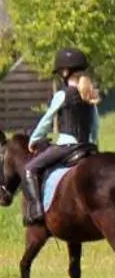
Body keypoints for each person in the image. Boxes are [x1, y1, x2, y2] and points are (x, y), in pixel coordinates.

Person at [22, 48, 101, 225]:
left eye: (60, 73)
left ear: (65, 72)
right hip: (87, 147)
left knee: (29, 169)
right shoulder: (89, 95)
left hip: (67, 147)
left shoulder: (62, 95)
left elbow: (47, 120)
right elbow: (96, 125)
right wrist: (93, 145)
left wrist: (34, 139)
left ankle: (35, 212)